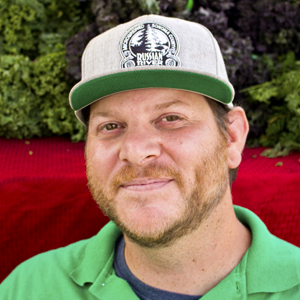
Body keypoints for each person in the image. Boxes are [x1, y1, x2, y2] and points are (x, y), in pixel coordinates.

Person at [1, 14, 300, 300]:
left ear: (232, 137)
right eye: (111, 126)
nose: (135, 151)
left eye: (171, 118)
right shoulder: (26, 288)